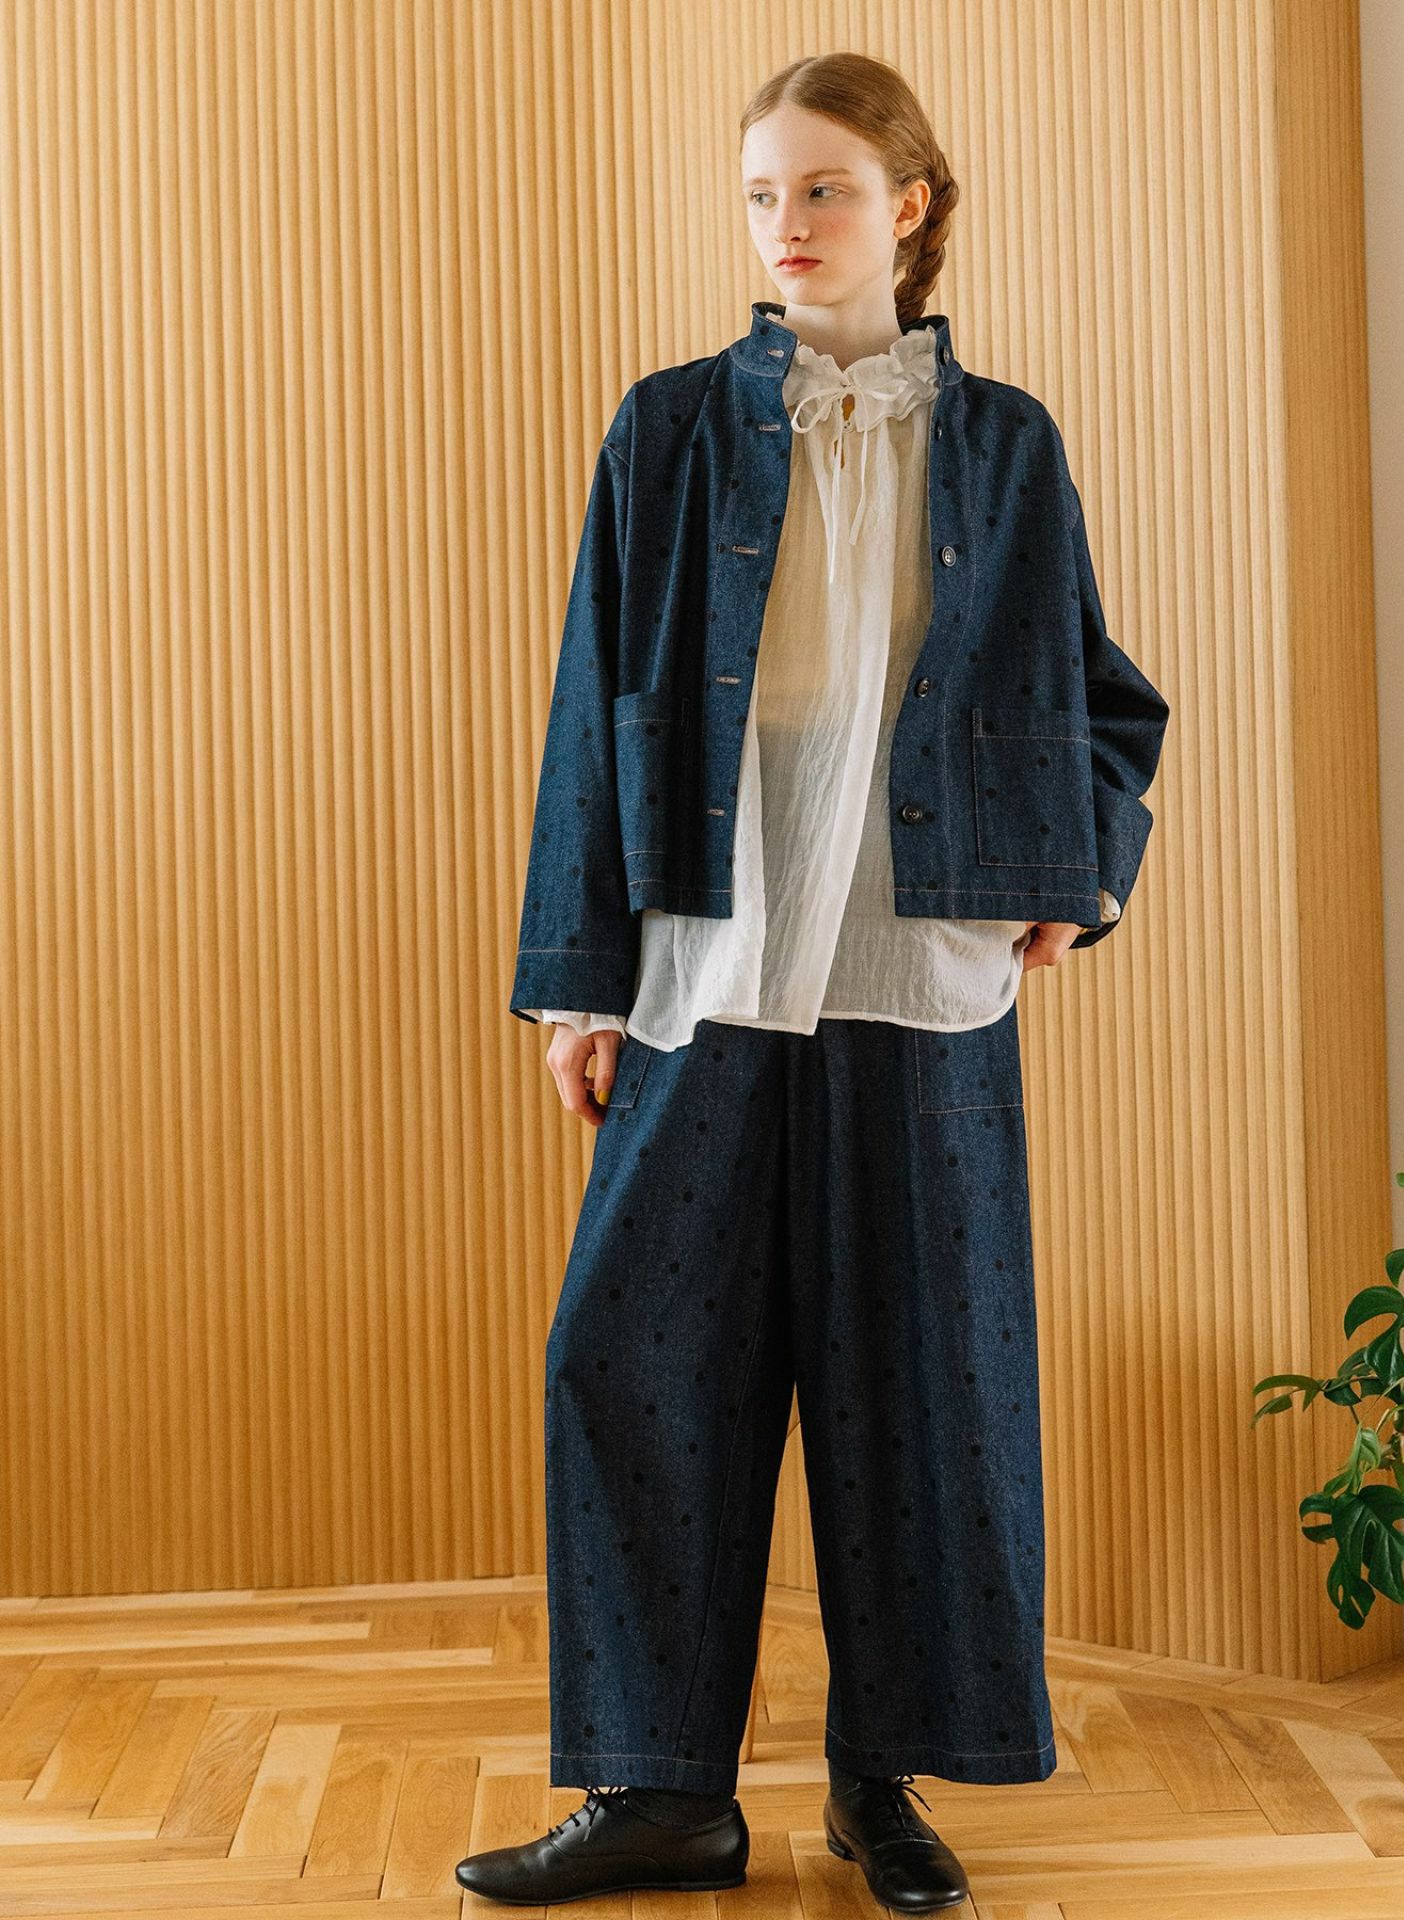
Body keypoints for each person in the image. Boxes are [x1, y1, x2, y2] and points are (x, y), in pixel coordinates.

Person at [457, 50, 1168, 1913]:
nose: (788, 225)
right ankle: (659, 1793)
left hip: (916, 976)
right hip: (707, 964)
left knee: (916, 1385)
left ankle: (880, 1786)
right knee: (629, 1361)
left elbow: (1105, 700)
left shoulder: (1004, 445)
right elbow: (597, 705)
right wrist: (576, 982)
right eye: (765, 194)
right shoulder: (670, 429)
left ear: (909, 205)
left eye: (827, 189)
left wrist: (1077, 872)